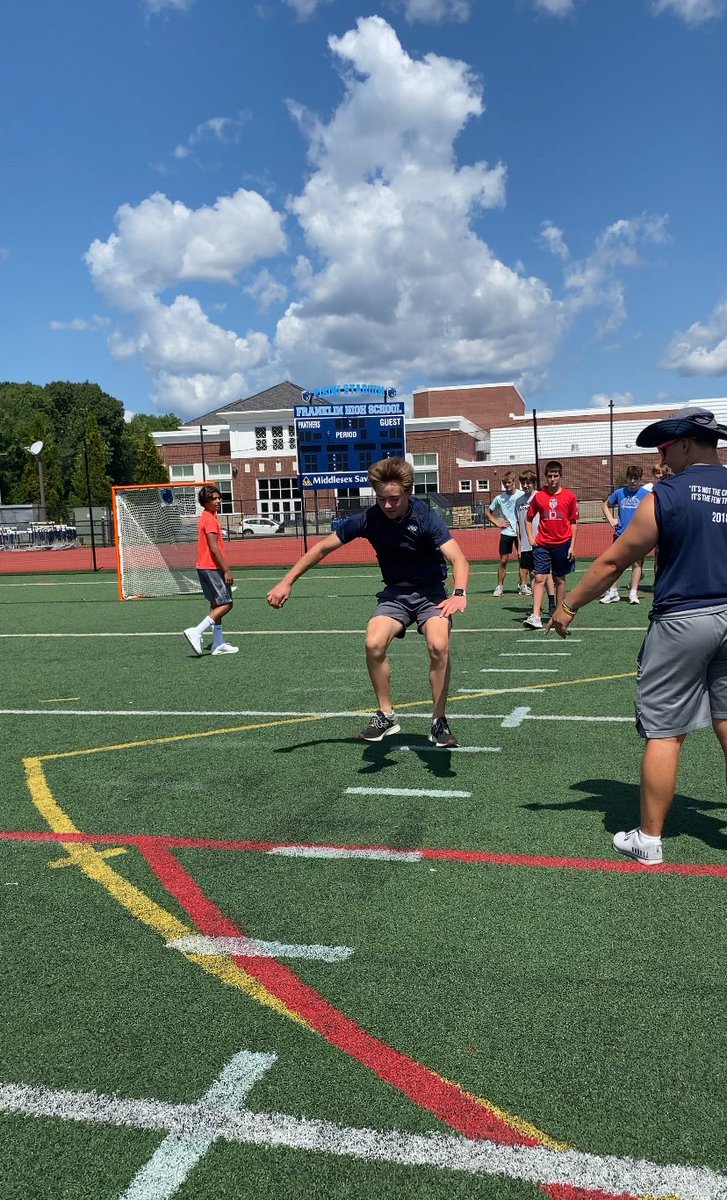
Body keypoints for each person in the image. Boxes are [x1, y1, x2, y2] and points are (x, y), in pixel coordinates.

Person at [547, 406, 727, 865]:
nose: (662, 457)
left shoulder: (665, 495)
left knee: (665, 733)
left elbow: (613, 562)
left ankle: (648, 839)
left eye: (665, 447)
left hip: (683, 619)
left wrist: (568, 606)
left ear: (685, 443)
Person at [267, 458, 469, 747]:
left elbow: (458, 558)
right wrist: (287, 580)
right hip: (395, 595)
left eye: (394, 499)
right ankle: (386, 715)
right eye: (381, 498)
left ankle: (439, 720)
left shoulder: (426, 517)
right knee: (373, 644)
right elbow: (323, 548)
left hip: (431, 595)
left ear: (408, 493)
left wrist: (459, 593)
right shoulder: (369, 519)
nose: (387, 505)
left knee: (438, 646)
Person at [183, 485, 238, 656]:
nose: (218, 501)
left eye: (219, 498)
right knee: (227, 604)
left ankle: (218, 643)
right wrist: (226, 570)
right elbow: (214, 548)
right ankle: (197, 631)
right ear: (205, 501)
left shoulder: (208, 517)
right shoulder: (210, 520)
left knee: (216, 605)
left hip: (204, 567)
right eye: (214, 499)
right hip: (211, 567)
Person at [523, 461, 578, 630]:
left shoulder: (569, 496)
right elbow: (528, 518)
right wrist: (531, 538)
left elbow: (573, 522)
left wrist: (572, 546)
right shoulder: (539, 496)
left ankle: (559, 615)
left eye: (555, 476)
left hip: (563, 543)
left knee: (559, 579)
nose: (552, 479)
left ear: (561, 476)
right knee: (539, 578)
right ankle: (536, 616)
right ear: (545, 477)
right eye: (549, 476)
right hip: (542, 545)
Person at [599, 465, 651, 605]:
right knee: (615, 564)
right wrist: (611, 520)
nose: (633, 481)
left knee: (637, 564)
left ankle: (633, 593)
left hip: (638, 536)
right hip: (620, 534)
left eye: (636, 478)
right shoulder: (619, 493)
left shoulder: (646, 495)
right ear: (627, 478)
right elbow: (605, 506)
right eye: (630, 477)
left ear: (640, 479)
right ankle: (613, 592)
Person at [515, 470, 556, 613]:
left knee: (546, 573)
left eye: (528, 483)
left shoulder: (540, 496)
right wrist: (519, 544)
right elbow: (519, 524)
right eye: (523, 483)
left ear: (533, 483)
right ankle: (536, 606)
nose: (526, 486)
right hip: (527, 544)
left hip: (541, 541)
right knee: (533, 573)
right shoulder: (519, 501)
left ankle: (552, 603)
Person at [486, 473, 523, 596]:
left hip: (520, 532)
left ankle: (523, 585)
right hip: (506, 532)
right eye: (505, 483)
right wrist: (497, 522)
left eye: (509, 482)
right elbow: (488, 513)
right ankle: (500, 586)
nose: (507, 485)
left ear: (514, 482)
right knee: (503, 560)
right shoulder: (499, 498)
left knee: (522, 559)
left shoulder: (522, 495)